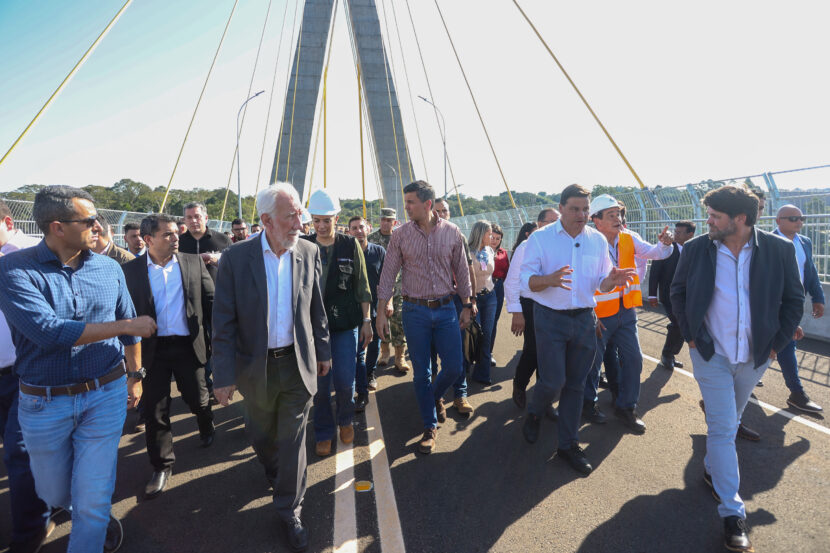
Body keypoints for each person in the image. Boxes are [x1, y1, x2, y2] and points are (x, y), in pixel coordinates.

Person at [0, 185, 156, 552]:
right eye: (87, 221)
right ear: (57, 227)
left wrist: (135, 377)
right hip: (43, 403)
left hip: (105, 394)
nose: (98, 226)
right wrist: (124, 328)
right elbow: (48, 332)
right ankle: (84, 510)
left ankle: (91, 522)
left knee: (93, 491)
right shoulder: (13, 270)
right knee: (51, 488)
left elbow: (128, 322)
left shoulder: (109, 267)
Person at [671, 185, 803, 553]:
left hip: (756, 356)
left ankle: (713, 469)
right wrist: (692, 335)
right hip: (710, 354)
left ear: (740, 219)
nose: (707, 222)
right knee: (724, 427)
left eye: (714, 216)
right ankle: (732, 513)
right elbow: (677, 293)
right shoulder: (698, 249)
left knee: (732, 418)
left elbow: (794, 301)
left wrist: (775, 346)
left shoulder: (779, 250)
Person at [212, 182, 331, 553]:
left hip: (297, 365)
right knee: (262, 436)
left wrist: (324, 351)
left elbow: (316, 309)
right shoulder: (236, 258)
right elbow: (224, 322)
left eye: (300, 213)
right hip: (256, 369)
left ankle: (288, 509)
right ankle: (274, 471)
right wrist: (224, 376)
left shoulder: (308, 252)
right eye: (291, 215)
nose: (301, 221)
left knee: (293, 440)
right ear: (266, 220)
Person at [520, 184, 635, 476]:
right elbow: (526, 282)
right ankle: (535, 410)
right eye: (575, 209)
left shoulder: (596, 240)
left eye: (585, 209)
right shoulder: (541, 239)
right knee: (552, 380)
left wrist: (612, 281)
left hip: (585, 318)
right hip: (550, 318)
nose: (581, 214)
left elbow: (600, 283)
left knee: (576, 384)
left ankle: (567, 445)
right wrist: (548, 279)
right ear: (560, 208)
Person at [123, 214, 216, 499]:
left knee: (197, 398)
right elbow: (124, 313)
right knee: (155, 411)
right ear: (149, 240)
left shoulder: (191, 263)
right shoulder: (131, 272)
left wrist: (223, 339)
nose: (176, 237)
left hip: (188, 347)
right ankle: (162, 465)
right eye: (168, 234)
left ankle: (205, 419)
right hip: (153, 351)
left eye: (177, 233)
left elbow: (212, 301)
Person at [376, 180, 473, 454]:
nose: (406, 207)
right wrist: (382, 311)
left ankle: (433, 397)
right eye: (406, 202)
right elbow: (388, 274)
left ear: (427, 204)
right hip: (415, 310)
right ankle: (429, 427)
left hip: (445, 310)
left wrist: (467, 304)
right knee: (422, 372)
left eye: (410, 202)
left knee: (454, 367)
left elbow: (462, 273)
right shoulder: (401, 235)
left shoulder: (453, 232)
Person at [582, 194, 673, 433]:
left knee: (634, 359)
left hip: (626, 312)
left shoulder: (629, 237)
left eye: (619, 214)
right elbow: (582, 281)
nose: (618, 218)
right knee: (593, 362)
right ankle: (587, 403)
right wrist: (591, 315)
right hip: (599, 314)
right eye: (611, 215)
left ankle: (626, 406)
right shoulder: (587, 242)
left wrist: (665, 243)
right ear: (596, 220)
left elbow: (657, 253)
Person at [0, 200, 54, 553]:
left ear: (7, 221)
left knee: (20, 453)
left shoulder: (31, 261)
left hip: (28, 374)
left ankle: (30, 532)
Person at [302, 189, 372, 457]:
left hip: (345, 324)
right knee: (319, 385)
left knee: (344, 380)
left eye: (326, 220)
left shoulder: (349, 244)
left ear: (336, 218)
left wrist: (366, 320)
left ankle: (345, 420)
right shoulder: (304, 245)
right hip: (312, 328)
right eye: (317, 220)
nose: (321, 226)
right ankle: (323, 431)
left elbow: (362, 285)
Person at [773, 205, 824, 413]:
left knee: (785, 344)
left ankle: (796, 393)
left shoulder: (805, 242)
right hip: (772, 304)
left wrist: (818, 298)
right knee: (772, 344)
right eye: (793, 218)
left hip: (793, 304)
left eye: (801, 218)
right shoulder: (768, 242)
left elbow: (810, 271)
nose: (799, 222)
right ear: (779, 221)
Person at [431, 197, 475, 415]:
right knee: (432, 352)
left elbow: (468, 271)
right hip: (431, 301)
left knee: (458, 351)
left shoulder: (458, 235)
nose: (442, 214)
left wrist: (471, 301)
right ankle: (436, 397)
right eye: (437, 210)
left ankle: (460, 394)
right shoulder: (424, 237)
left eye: (445, 210)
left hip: (456, 301)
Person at [647, 221, 697, 371]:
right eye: (675, 232)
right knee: (678, 322)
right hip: (668, 295)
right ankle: (667, 355)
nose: (675, 235)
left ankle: (670, 354)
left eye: (679, 233)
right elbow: (655, 271)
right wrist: (651, 295)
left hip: (687, 296)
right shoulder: (667, 248)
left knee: (682, 324)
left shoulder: (694, 249)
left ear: (690, 235)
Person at [348, 215, 385, 411]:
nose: (358, 231)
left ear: (368, 228)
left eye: (361, 227)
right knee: (358, 350)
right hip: (353, 309)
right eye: (354, 228)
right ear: (349, 231)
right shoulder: (345, 252)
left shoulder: (379, 252)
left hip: (376, 306)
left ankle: (369, 373)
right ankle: (361, 389)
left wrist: (387, 304)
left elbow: (387, 279)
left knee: (374, 344)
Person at [368, 208, 411, 373]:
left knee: (399, 321)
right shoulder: (372, 239)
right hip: (378, 288)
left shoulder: (401, 238)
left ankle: (400, 356)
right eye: (383, 219)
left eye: (389, 220)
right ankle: (384, 352)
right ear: (380, 221)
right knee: (382, 320)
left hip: (400, 288)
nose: (386, 223)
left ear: (395, 222)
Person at [504, 221, 537, 408]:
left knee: (551, 352)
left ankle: (544, 400)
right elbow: (512, 282)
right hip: (531, 305)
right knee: (533, 349)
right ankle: (520, 384)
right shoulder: (526, 247)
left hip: (555, 307)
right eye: (548, 221)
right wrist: (517, 312)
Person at [468, 221, 498, 384]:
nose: (492, 236)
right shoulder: (468, 252)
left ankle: (483, 374)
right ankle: (463, 370)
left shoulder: (489, 250)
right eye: (489, 233)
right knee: (473, 337)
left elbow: (489, 272)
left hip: (490, 297)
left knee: (486, 336)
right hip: (474, 298)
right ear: (480, 234)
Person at [178, 201, 231, 282]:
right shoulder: (177, 242)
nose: (193, 221)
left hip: (218, 291)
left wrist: (215, 260)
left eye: (197, 216)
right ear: (184, 220)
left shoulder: (223, 240)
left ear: (206, 218)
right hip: (188, 292)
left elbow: (235, 266)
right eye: (189, 217)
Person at [490, 223, 509, 365]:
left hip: (498, 286)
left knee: (493, 321)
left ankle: (488, 352)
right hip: (483, 286)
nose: (495, 240)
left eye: (498, 238)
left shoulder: (503, 253)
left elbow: (507, 271)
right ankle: (473, 352)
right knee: (480, 322)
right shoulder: (479, 251)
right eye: (492, 237)